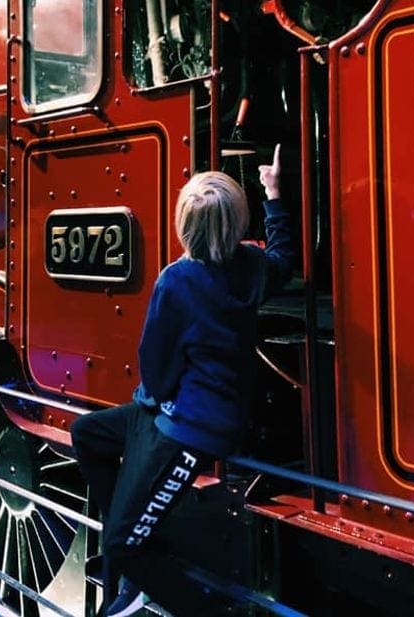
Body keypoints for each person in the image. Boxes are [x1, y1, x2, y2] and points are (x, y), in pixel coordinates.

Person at [71, 145, 295, 617]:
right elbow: (283, 258)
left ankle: (158, 574)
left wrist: (158, 401)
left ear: (184, 225)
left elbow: (155, 362)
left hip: (185, 426)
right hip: (176, 412)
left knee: (121, 546)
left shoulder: (176, 281)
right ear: (236, 224)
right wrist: (273, 194)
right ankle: (132, 524)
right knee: (86, 432)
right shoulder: (252, 268)